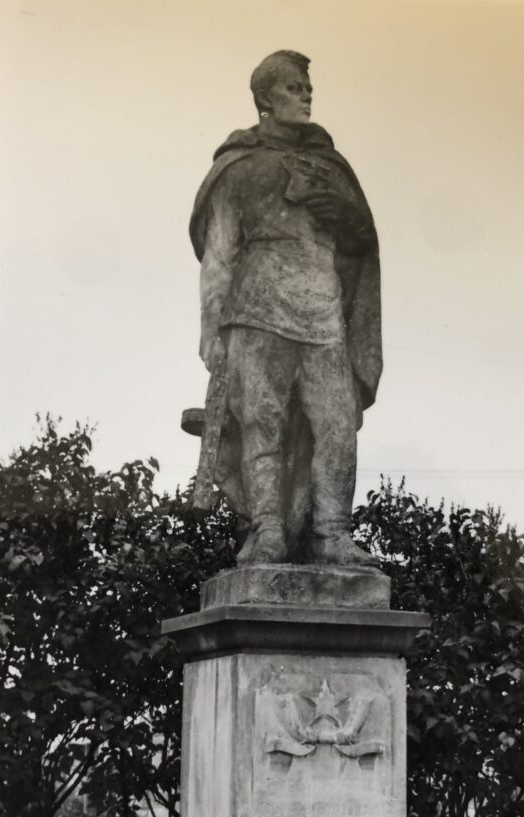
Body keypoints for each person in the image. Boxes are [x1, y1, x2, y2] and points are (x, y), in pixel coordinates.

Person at [189, 50, 382, 565]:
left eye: (308, 88)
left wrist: (348, 219)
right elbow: (219, 255)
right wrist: (210, 333)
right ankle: (268, 530)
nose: (306, 95)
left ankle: (332, 533)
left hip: (323, 313)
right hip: (256, 309)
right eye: (294, 88)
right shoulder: (239, 168)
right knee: (262, 424)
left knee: (337, 427)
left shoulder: (330, 168)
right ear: (265, 99)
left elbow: (360, 247)